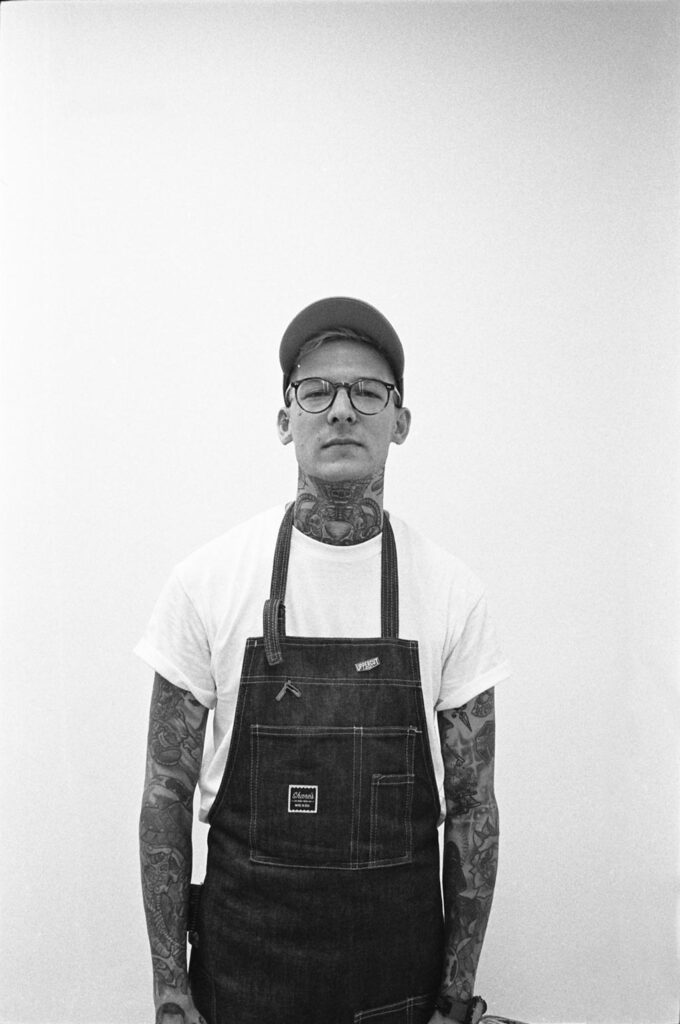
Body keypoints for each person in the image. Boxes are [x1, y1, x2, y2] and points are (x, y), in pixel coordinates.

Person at [137, 297, 511, 1024]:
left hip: (399, 983)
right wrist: (171, 991)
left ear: (400, 421)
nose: (341, 409)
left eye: (367, 391)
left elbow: (474, 809)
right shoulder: (207, 581)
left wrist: (455, 997)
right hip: (242, 973)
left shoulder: (452, 593)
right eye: (316, 390)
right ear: (286, 419)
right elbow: (164, 797)